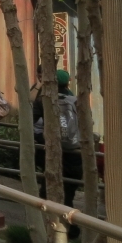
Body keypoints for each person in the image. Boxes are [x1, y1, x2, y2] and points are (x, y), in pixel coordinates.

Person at [34, 69, 83, 211]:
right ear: (67, 83)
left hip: (52, 150)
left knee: (47, 190)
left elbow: (30, 122)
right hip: (74, 152)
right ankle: (71, 229)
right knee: (68, 194)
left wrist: (40, 137)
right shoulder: (76, 100)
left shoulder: (44, 100)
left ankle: (52, 227)